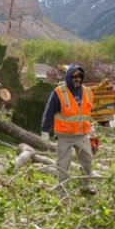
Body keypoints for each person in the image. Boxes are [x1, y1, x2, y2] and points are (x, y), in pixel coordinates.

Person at [41, 64, 96, 196]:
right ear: (68, 77)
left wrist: (92, 129)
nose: (77, 79)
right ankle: (62, 192)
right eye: (74, 76)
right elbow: (49, 112)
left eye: (79, 76)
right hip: (64, 136)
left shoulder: (88, 92)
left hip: (82, 135)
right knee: (63, 165)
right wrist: (44, 130)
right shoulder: (59, 93)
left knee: (87, 161)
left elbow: (87, 113)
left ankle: (85, 187)